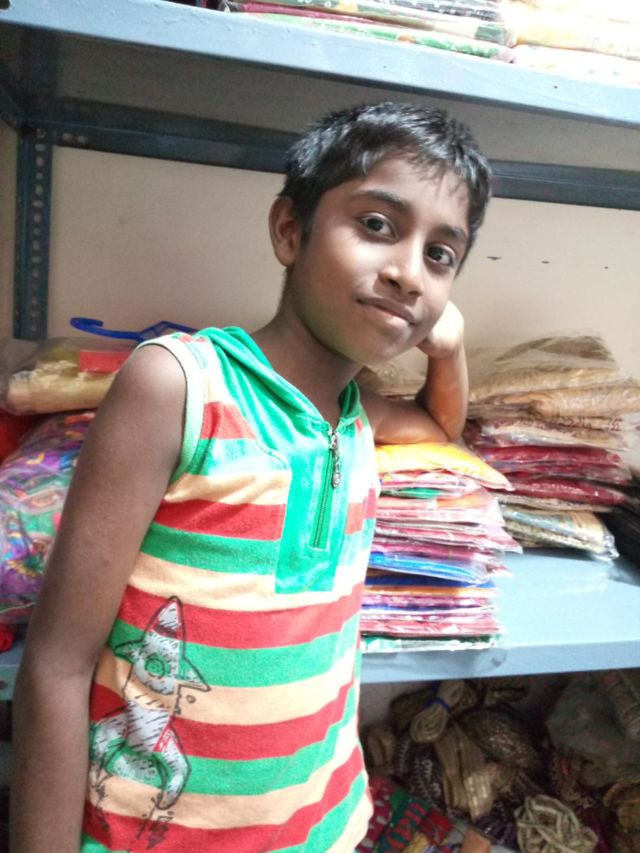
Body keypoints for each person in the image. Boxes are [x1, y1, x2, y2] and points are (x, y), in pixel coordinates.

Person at [11, 101, 491, 852]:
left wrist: (449, 347)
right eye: (377, 225)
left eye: (440, 255)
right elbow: (57, 664)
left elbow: (440, 429)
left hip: (321, 827)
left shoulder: (355, 414)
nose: (407, 273)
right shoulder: (181, 386)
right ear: (290, 231)